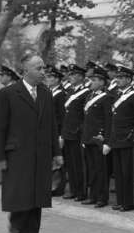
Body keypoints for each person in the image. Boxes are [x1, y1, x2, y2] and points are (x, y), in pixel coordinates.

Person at [0, 54, 62, 233]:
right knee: (21, 192)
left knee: (38, 192)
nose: (43, 72)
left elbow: (52, 125)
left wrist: (57, 153)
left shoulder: (46, 93)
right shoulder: (8, 93)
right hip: (18, 153)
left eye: (44, 68)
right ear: (25, 71)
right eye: (39, 68)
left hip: (41, 152)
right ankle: (16, 226)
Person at [103, 65, 134, 212]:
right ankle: (121, 200)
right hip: (117, 139)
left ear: (129, 80)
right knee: (119, 173)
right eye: (117, 77)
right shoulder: (117, 95)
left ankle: (129, 202)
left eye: (121, 78)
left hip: (128, 139)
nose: (117, 80)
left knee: (128, 173)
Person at [81, 66, 112, 207]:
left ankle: (102, 197)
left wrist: (107, 140)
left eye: (94, 80)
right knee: (91, 169)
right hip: (88, 138)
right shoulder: (89, 96)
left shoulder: (106, 98)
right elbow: (87, 120)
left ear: (102, 82)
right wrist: (84, 137)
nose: (91, 82)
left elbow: (108, 121)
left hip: (99, 139)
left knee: (100, 170)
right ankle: (92, 195)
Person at [61, 64, 90, 201]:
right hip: (68, 133)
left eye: (73, 75)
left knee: (79, 164)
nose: (70, 77)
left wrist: (81, 130)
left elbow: (85, 115)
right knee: (71, 164)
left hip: (78, 134)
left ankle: (81, 192)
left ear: (80, 77)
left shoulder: (86, 93)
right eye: (70, 74)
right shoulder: (70, 91)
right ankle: (73, 189)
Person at [46, 66, 67, 197]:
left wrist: (61, 134)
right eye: (48, 77)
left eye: (51, 77)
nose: (48, 79)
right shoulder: (48, 92)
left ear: (57, 79)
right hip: (47, 131)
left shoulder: (60, 94)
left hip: (57, 132)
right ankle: (49, 185)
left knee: (58, 161)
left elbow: (63, 116)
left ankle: (58, 187)